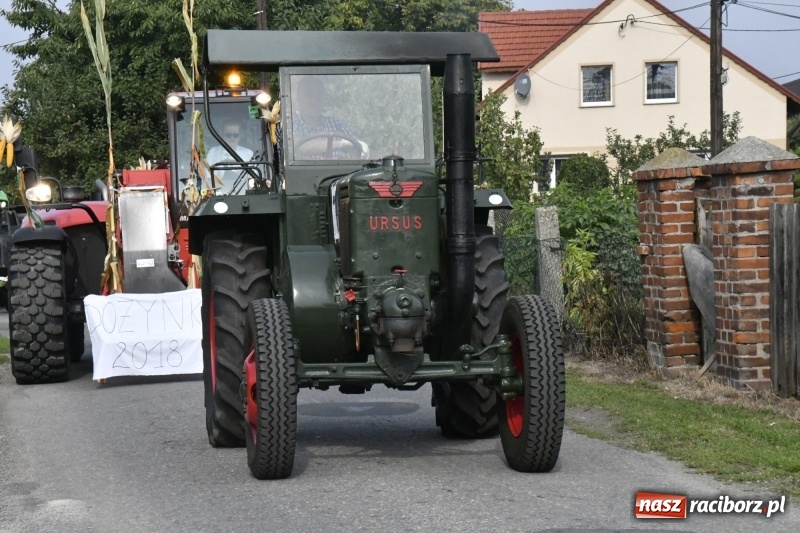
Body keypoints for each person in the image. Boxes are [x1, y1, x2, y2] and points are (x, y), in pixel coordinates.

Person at [292, 77, 369, 160]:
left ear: (323, 99)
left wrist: (361, 149)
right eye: (308, 95)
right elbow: (303, 146)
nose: (314, 100)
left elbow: (355, 148)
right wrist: (341, 145)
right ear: (299, 99)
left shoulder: (337, 125)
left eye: (319, 96)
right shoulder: (290, 125)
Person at [206, 119, 254, 193]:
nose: (232, 138)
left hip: (243, 194)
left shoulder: (248, 154)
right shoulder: (213, 152)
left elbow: (253, 180)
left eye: (235, 135)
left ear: (240, 136)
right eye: (228, 135)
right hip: (217, 195)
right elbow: (207, 179)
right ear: (222, 134)